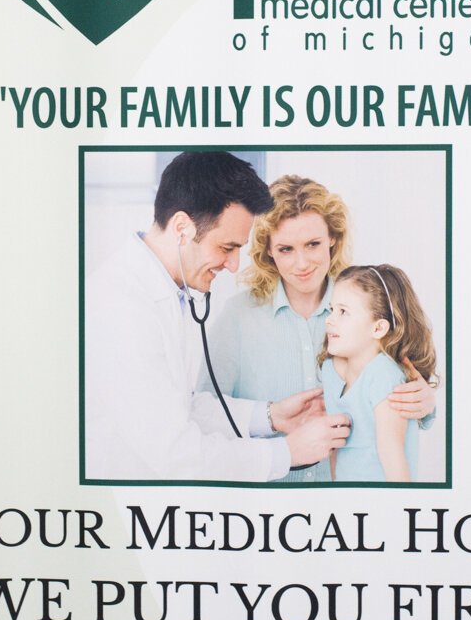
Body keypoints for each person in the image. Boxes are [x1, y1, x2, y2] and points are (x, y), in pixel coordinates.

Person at [84, 151, 350, 482]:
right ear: (182, 227)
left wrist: (271, 416)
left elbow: (183, 410)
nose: (234, 265)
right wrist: (287, 452)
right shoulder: (122, 308)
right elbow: (176, 454)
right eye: (226, 248)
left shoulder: (169, 296)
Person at [204, 175, 435, 483]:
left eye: (313, 244)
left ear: (333, 238)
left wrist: (427, 402)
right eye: (286, 249)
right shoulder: (237, 317)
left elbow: (399, 380)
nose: (302, 263)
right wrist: (270, 415)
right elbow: (204, 413)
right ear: (268, 251)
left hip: (350, 502)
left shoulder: (370, 306)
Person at [318, 265, 438, 483]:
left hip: (382, 502)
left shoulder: (383, 374)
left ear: (378, 328)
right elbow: (335, 448)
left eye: (343, 311)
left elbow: (392, 454)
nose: (329, 319)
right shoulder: (329, 370)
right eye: (332, 309)